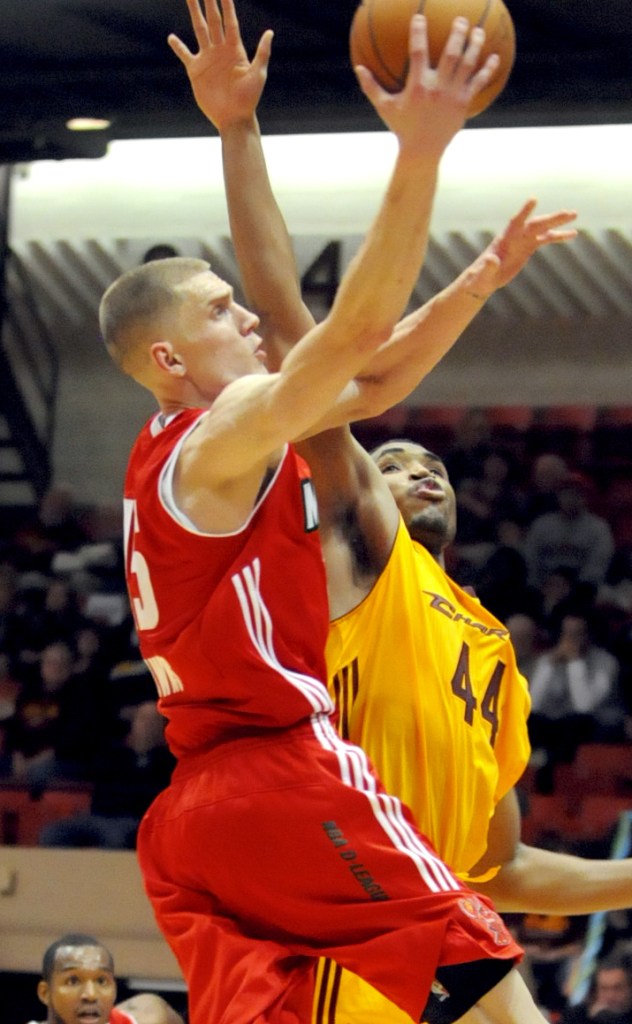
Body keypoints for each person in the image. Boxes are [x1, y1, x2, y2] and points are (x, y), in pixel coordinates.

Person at [100, 2, 555, 1022]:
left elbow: (368, 373)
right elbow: (347, 337)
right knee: (499, 999)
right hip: (279, 773)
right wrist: (421, 153)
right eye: (220, 311)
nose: (250, 317)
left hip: (199, 811)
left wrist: (477, 279)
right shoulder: (218, 440)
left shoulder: (211, 448)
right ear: (168, 360)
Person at [191, 4, 632, 1023]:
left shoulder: (488, 645)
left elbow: (499, 862)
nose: (412, 467)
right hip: (334, 913)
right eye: (388, 458)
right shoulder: (360, 548)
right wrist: (237, 130)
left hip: (429, 918)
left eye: (426, 459)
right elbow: (299, 325)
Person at [26, 933, 184, 1024]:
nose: (91, 994)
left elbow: (156, 1008)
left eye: (101, 981)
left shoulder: (148, 1014)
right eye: (73, 981)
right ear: (45, 993)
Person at [561, 948, 632, 1024]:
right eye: (604, 988)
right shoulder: (577, 1015)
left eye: (617, 988)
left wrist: (603, 1016)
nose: (610, 996)